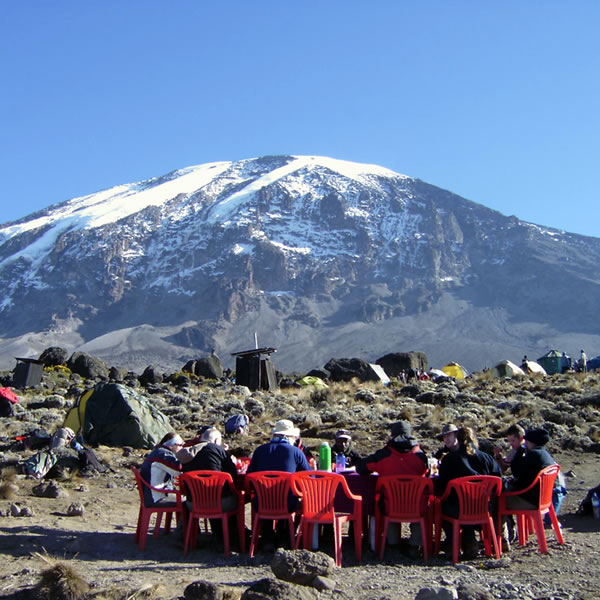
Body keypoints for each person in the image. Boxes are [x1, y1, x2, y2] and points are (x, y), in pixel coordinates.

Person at [356, 421, 428, 558]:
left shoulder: (384, 455)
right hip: (417, 506)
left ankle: (393, 544)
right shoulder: (420, 456)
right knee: (419, 507)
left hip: (391, 506)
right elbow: (428, 473)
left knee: (388, 502)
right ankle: (415, 545)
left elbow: (361, 467)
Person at [434, 426, 501, 559]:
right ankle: (470, 540)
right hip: (483, 507)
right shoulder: (486, 458)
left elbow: (441, 488)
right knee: (467, 505)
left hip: (457, 509)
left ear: (457, 440)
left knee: (442, 507)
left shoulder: (450, 459)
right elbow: (498, 481)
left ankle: (452, 543)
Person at [247, 419, 310, 550]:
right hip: (287, 503)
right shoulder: (295, 452)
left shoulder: (259, 451)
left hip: (262, 502)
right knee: (296, 502)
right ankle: (285, 538)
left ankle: (267, 539)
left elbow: (249, 476)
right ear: (290, 437)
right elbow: (309, 476)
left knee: (264, 499)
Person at [180, 427, 242, 550]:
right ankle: (233, 539)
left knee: (213, 495)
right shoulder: (217, 450)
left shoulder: (187, 453)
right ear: (215, 440)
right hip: (220, 503)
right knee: (237, 499)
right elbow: (233, 474)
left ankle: (214, 537)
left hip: (193, 503)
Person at [140, 432, 184, 506]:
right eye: (180, 445)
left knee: (188, 500)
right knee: (189, 502)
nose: (182, 448)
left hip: (151, 494)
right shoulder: (163, 454)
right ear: (172, 446)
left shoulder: (158, 452)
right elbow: (178, 470)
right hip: (156, 497)